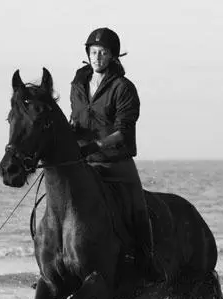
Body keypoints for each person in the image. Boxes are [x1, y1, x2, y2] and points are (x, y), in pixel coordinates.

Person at [70, 27, 160, 281]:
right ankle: (54, 264)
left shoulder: (123, 88)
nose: (97, 57)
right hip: (83, 162)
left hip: (116, 162)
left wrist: (95, 146)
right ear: (87, 54)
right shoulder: (77, 86)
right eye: (93, 52)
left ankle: (147, 262)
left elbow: (123, 131)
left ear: (112, 57)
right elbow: (74, 121)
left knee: (137, 208)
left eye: (103, 53)